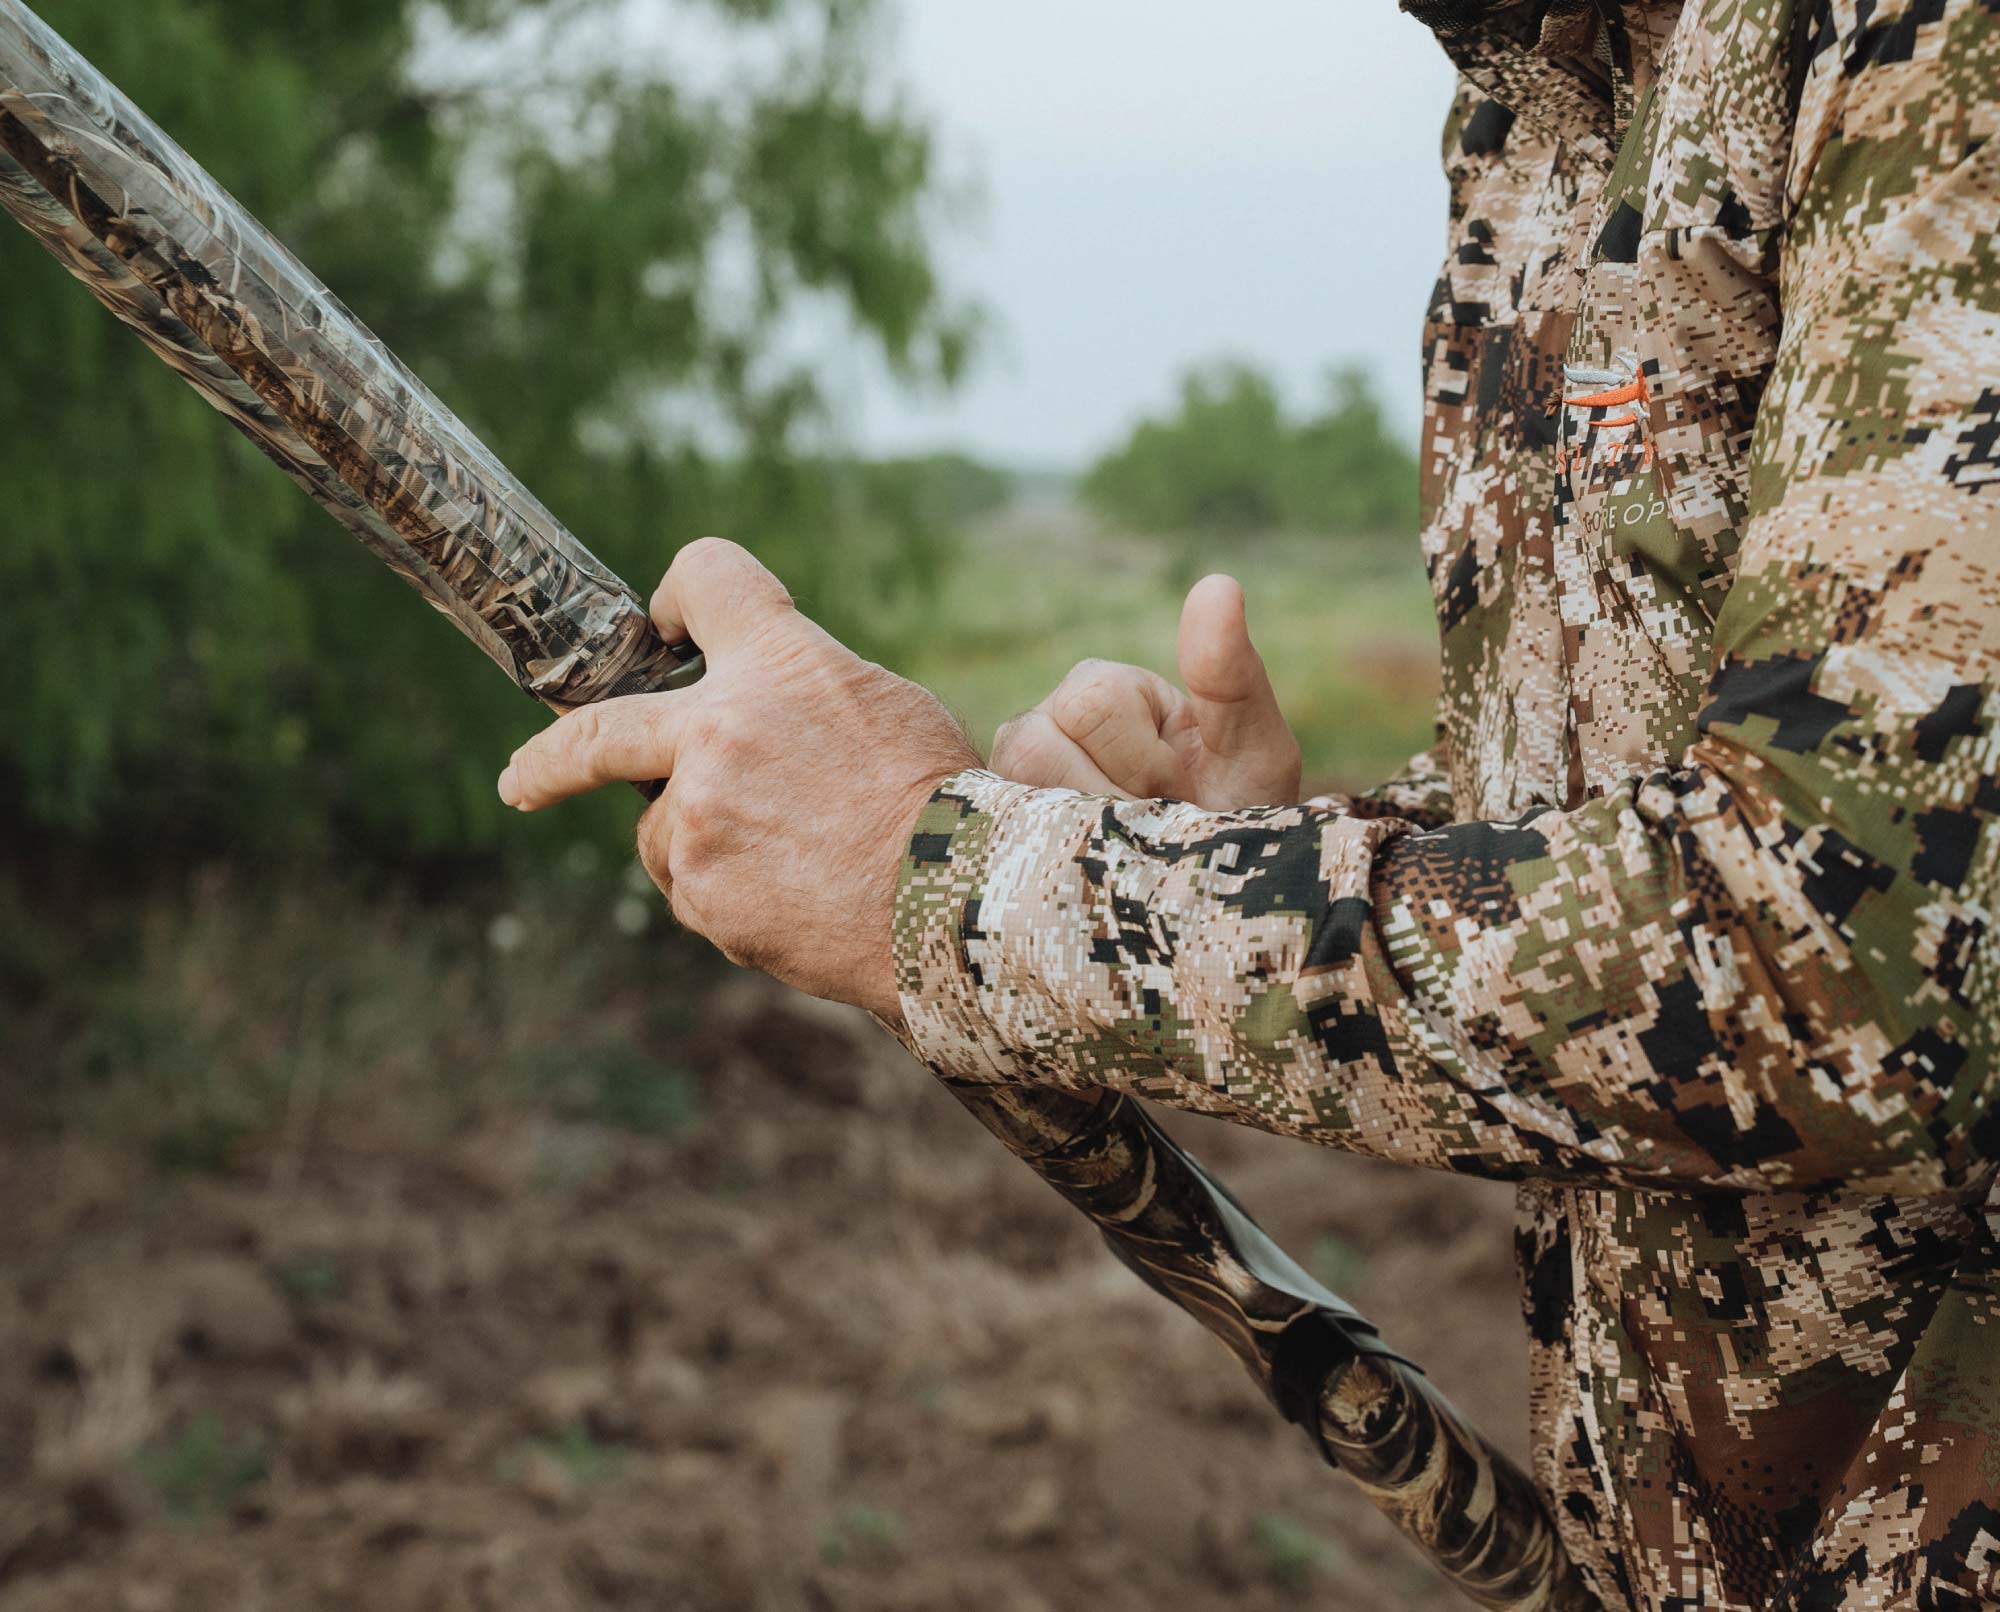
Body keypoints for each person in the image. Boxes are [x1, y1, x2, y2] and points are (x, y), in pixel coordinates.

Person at [492, 1, 2000, 1605]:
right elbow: (1677, 807)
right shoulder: (1527, 105)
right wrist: (1236, 856)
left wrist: (955, 881)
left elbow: (1860, 931)